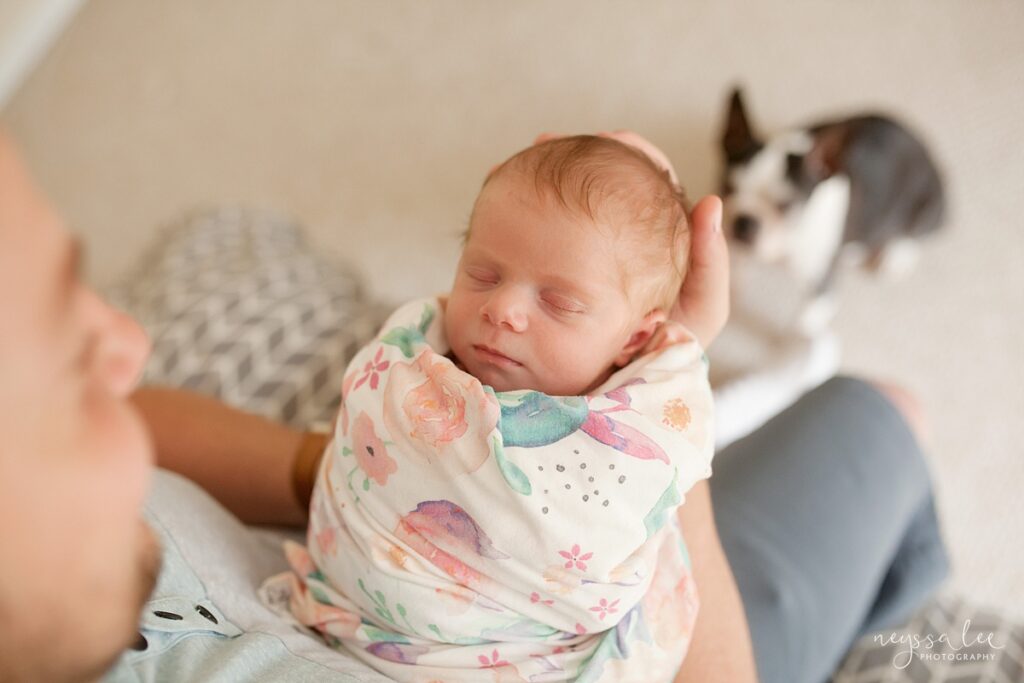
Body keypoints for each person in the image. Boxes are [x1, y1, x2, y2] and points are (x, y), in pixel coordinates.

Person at [0, 127, 947, 683]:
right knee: (883, 411)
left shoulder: (59, 549)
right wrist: (671, 411)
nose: (127, 345)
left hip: (420, 534)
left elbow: (173, 426)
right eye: (57, 328)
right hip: (635, 629)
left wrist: (365, 468)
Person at [265, 134, 717, 682]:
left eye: (560, 303)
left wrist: (682, 350)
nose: (501, 309)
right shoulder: (413, 363)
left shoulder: (639, 431)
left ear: (634, 339)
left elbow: (650, 478)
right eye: (482, 274)